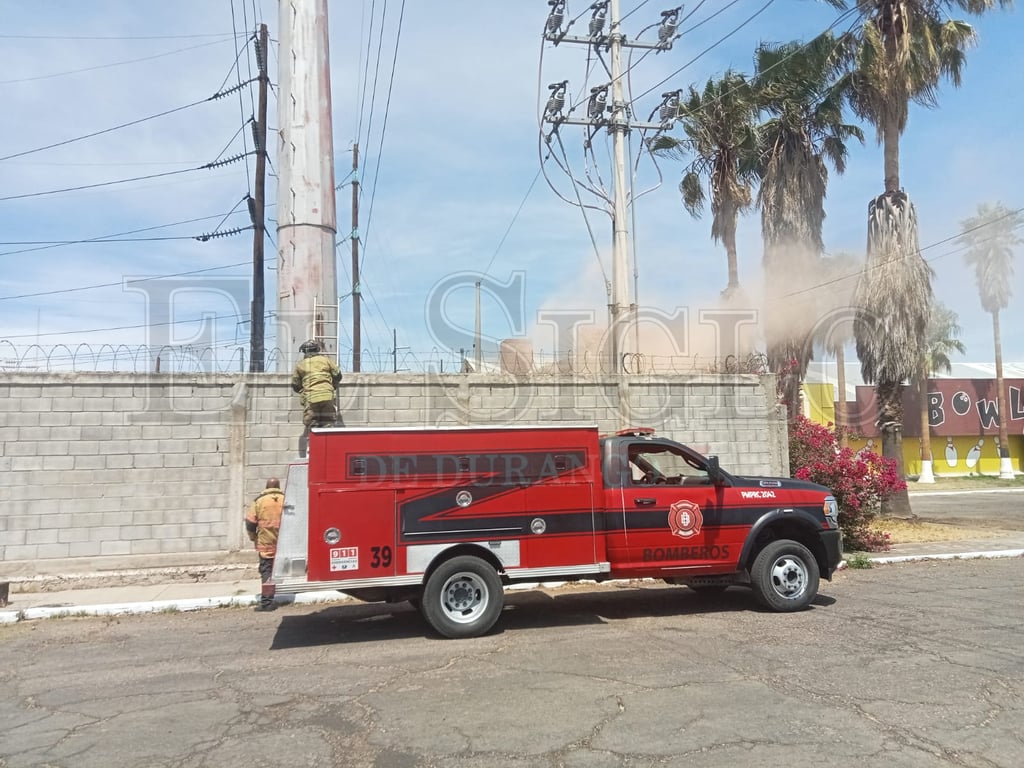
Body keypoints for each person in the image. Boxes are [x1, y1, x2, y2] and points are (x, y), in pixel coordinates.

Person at [291, 339, 342, 456]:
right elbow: (338, 375)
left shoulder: (300, 365)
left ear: (304, 351)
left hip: (311, 399)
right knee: (328, 423)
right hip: (327, 396)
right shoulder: (326, 361)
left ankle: (313, 452)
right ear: (317, 350)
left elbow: (295, 384)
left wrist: (303, 390)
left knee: (312, 425)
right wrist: (332, 385)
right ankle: (329, 451)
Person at [245, 478, 285, 612]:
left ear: (266, 486)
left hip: (266, 543)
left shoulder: (259, 501)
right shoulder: (286, 499)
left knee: (267, 571)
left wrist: (253, 538)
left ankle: (267, 603)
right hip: (284, 543)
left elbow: (250, 523)